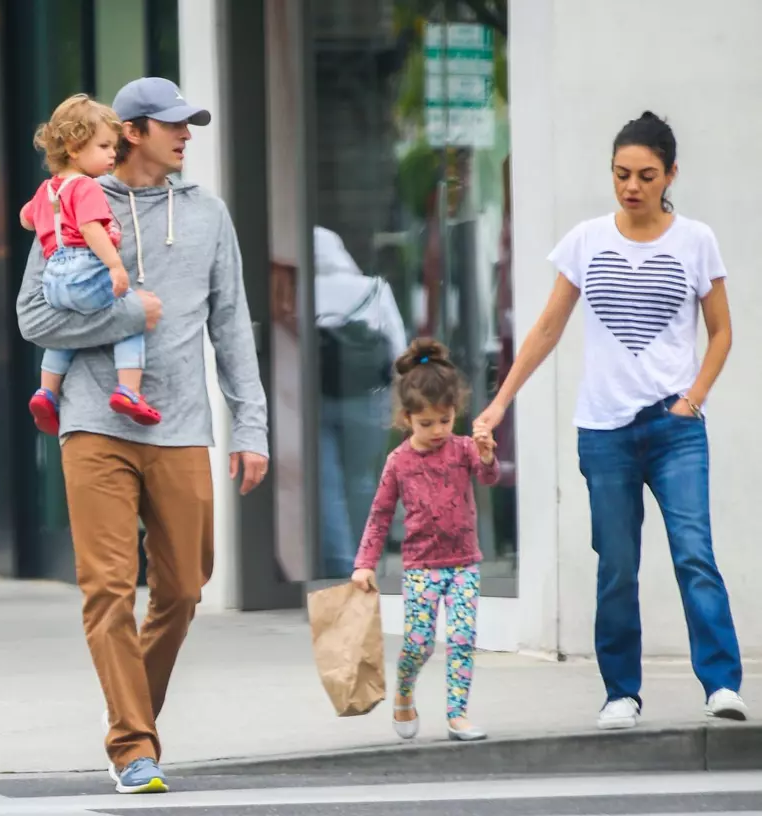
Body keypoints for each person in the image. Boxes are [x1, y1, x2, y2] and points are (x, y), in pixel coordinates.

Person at [16, 77, 269, 794]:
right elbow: (34, 319)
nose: (187, 134)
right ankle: (133, 747)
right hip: (95, 420)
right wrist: (129, 318)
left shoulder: (207, 213)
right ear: (131, 132)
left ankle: (133, 721)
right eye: (173, 125)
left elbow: (231, 326)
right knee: (106, 587)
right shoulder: (70, 202)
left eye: (189, 123)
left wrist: (250, 425)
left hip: (182, 424)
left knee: (185, 588)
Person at [474, 111, 746, 730]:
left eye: (647, 175)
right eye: (621, 174)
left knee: (693, 554)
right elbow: (546, 328)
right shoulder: (587, 239)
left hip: (675, 429)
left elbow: (723, 331)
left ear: (671, 174)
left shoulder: (695, 241)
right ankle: (620, 692)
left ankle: (722, 684)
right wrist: (499, 403)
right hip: (604, 433)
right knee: (617, 564)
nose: (632, 186)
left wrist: (693, 398)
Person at [351, 338, 500, 741]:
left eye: (446, 420)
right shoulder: (398, 461)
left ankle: (457, 713)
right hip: (420, 568)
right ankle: (404, 691)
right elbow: (380, 515)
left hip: (464, 561)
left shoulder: (463, 449)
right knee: (418, 644)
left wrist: (486, 456)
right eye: (426, 423)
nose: (437, 431)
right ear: (406, 418)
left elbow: (488, 479)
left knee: (463, 638)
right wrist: (364, 563)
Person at [20, 94, 160, 436]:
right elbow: (89, 228)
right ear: (73, 148)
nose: (113, 154)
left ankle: (46, 391)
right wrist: (115, 266)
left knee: (65, 334)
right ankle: (128, 388)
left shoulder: (47, 189)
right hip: (84, 270)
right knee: (132, 316)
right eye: (104, 146)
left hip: (54, 279)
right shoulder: (86, 187)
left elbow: (25, 219)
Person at [314, 226, 407, 577]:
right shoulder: (374, 288)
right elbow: (399, 348)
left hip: (315, 402)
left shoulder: (298, 291)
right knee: (363, 482)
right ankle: (366, 558)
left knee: (327, 486)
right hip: (368, 401)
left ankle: (340, 566)